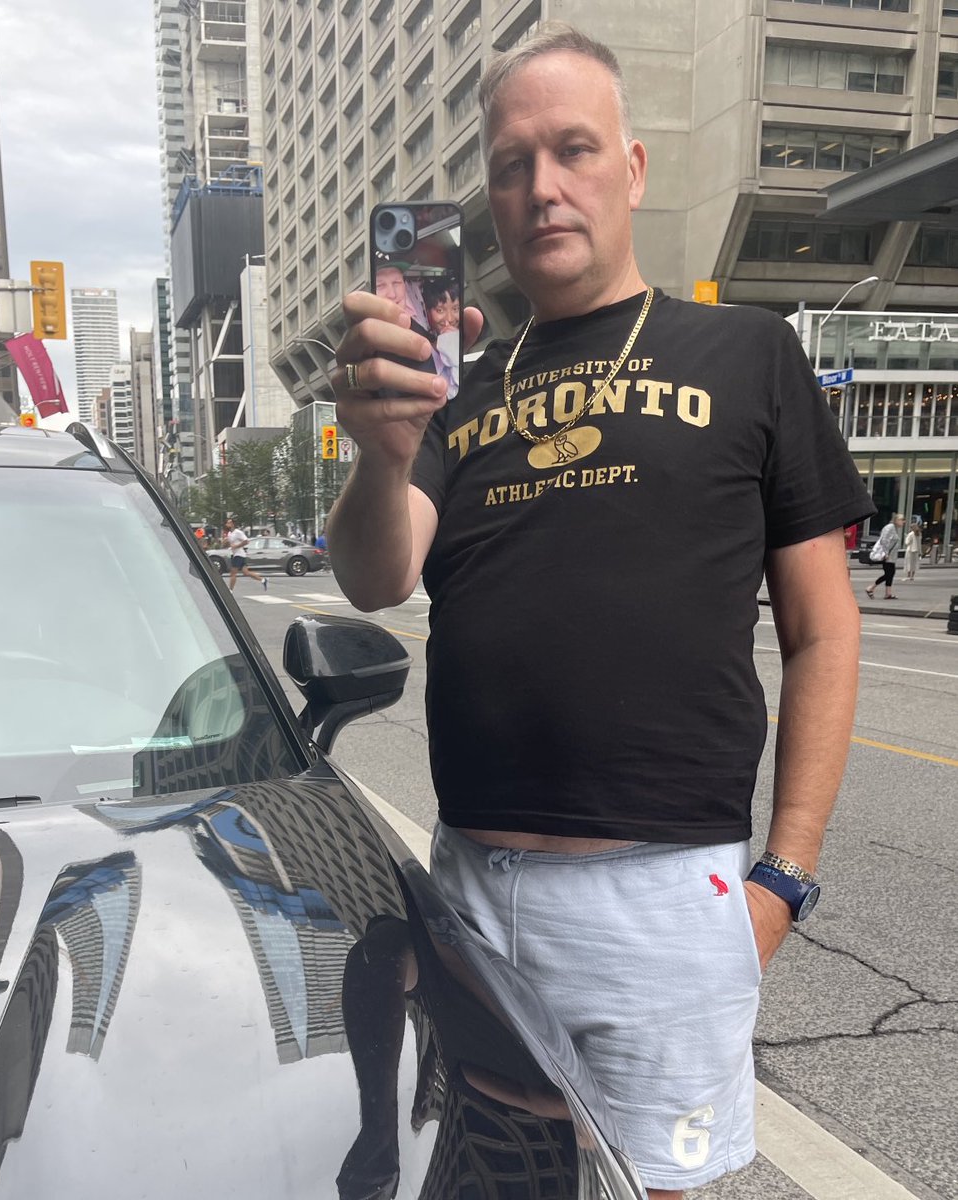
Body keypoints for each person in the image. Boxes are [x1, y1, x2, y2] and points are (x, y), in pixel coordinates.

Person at [326, 24, 874, 1199]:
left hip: (662, 897)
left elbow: (824, 628)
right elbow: (376, 577)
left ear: (629, 167)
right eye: (511, 162)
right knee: (482, 1179)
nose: (540, 187)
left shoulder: (745, 351)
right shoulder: (457, 394)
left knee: (652, 1188)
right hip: (471, 887)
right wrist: (381, 453)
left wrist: (782, 879)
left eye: (571, 150)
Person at [422, 277, 462, 400]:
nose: (449, 318)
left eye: (455, 309)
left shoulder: (466, 335)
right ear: (427, 312)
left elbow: (456, 389)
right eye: (440, 310)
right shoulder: (423, 347)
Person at [221, 519, 266, 592]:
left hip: (239, 555)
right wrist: (224, 540)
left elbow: (246, 541)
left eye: (228, 523)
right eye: (226, 523)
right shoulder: (229, 533)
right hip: (237, 554)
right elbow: (226, 544)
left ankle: (230, 590)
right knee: (246, 572)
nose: (226, 524)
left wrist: (236, 546)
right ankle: (263, 580)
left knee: (233, 573)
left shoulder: (238, 532)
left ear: (232, 524)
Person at [865, 513, 904, 600]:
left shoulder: (894, 528)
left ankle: (888, 593)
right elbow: (884, 540)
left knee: (890, 574)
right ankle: (871, 588)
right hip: (888, 556)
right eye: (902, 520)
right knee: (889, 574)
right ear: (896, 520)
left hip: (891, 557)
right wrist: (885, 553)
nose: (903, 522)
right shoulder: (890, 527)